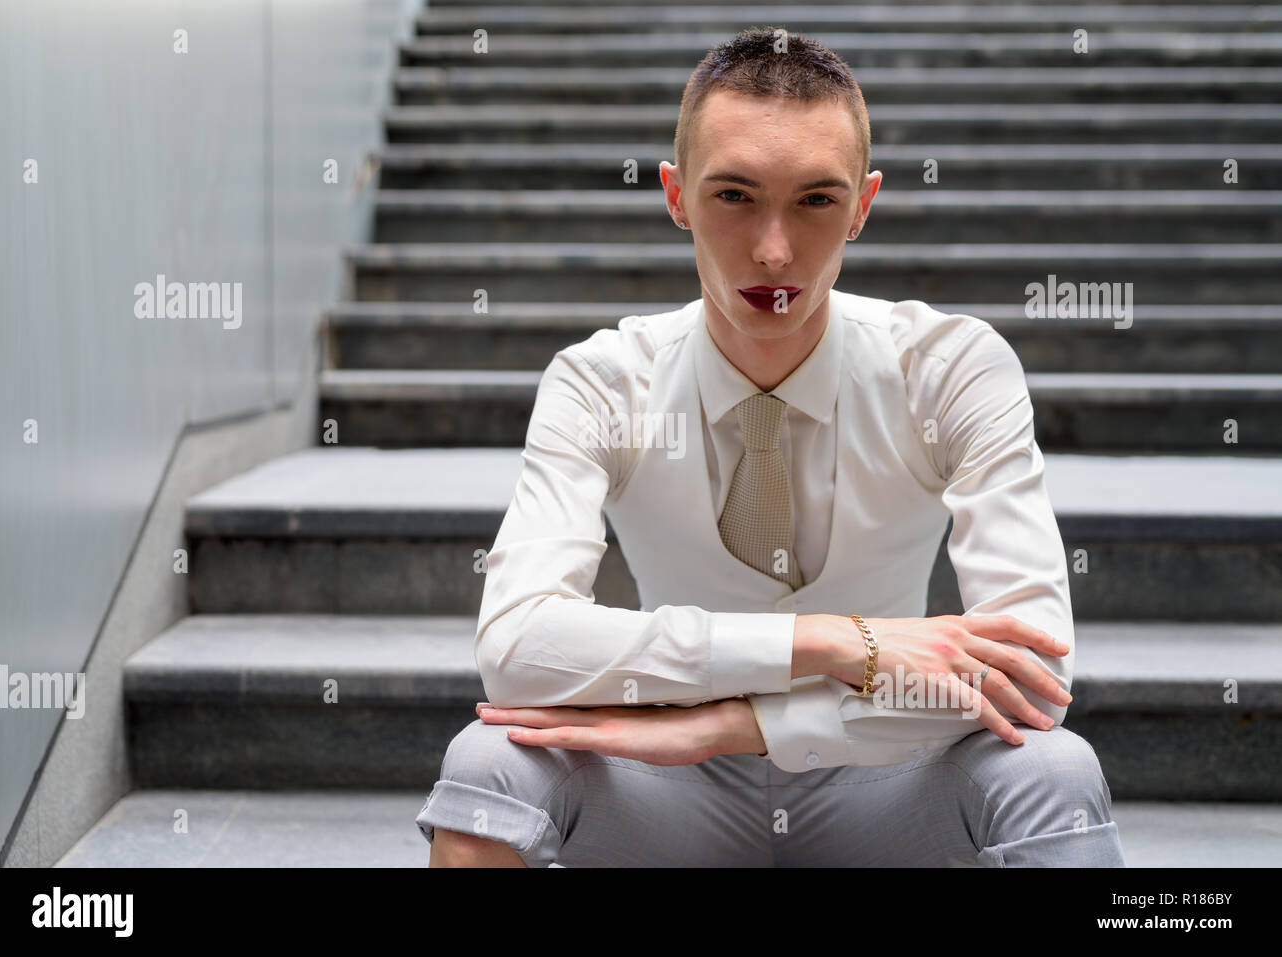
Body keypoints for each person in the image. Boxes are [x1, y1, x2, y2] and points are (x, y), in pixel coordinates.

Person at [416, 26, 1125, 867]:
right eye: (735, 197)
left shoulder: (948, 368)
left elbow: (1031, 668)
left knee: (1055, 770)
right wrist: (827, 644)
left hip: (887, 775)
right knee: (485, 763)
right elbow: (515, 649)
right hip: (666, 793)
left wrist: (747, 721)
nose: (774, 251)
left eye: (817, 201)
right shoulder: (603, 381)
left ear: (863, 204)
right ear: (676, 195)